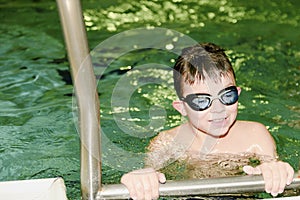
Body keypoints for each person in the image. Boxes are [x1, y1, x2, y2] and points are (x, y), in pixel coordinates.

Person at [121, 43, 294, 200]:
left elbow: (274, 169)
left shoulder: (255, 136)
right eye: (202, 101)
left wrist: (276, 171)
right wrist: (141, 178)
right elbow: (148, 174)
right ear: (181, 107)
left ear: (238, 93)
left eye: (227, 95)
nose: (218, 109)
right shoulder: (167, 143)